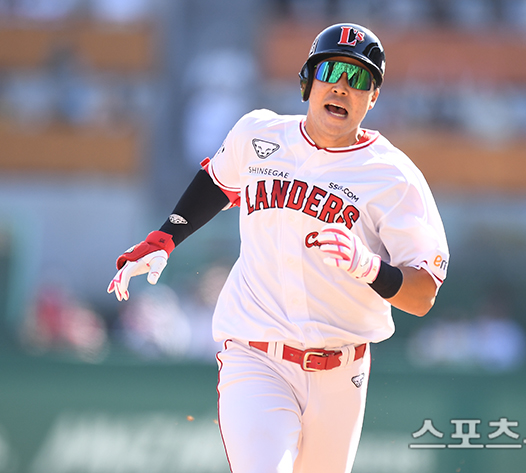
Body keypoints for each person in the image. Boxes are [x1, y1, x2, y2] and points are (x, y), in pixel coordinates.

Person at [108, 22, 449, 473]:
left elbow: (423, 294)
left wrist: (369, 267)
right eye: (331, 71)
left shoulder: (394, 177)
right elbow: (218, 180)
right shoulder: (259, 135)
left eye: (359, 78)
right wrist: (165, 238)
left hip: (342, 371)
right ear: (308, 82)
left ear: (373, 97)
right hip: (256, 356)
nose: (342, 87)